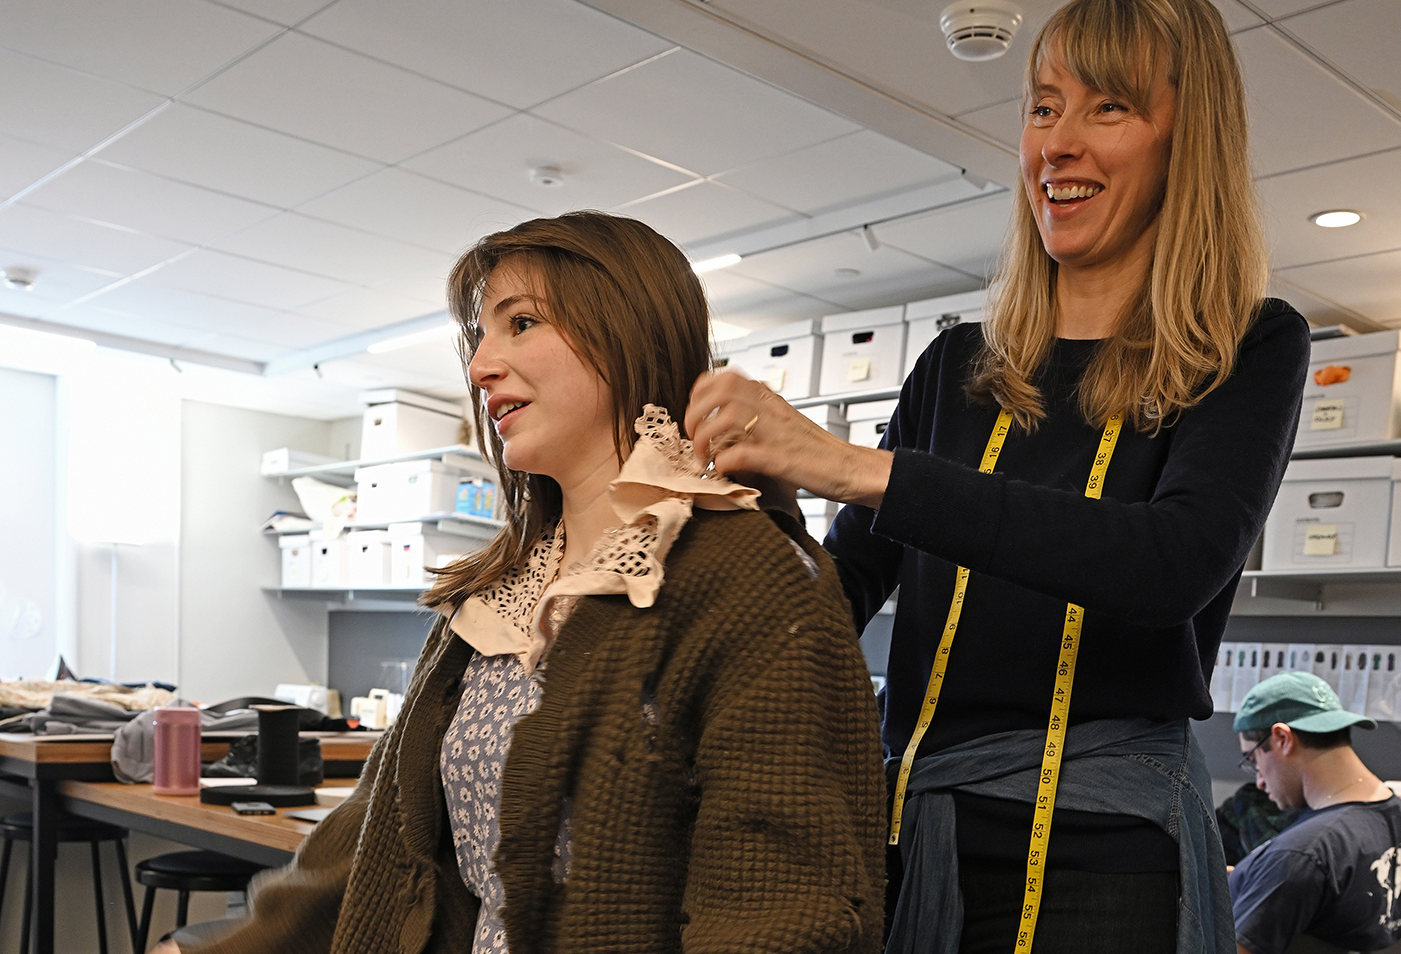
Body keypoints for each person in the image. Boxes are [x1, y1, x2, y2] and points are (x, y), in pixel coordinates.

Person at [685, 0, 1310, 950]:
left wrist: (852, 467)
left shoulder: (1247, 346)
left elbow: (1171, 562)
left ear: (1190, 137)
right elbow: (835, 598)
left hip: (1103, 858)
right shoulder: (958, 365)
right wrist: (758, 502)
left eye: (1107, 109)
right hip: (911, 839)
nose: (1056, 144)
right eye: (1043, 107)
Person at [163, 212, 886, 954]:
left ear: (626, 329)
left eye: (522, 323)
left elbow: (782, 916)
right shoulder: (502, 593)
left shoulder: (746, 578)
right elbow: (379, 836)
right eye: (480, 337)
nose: (480, 367)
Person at [1230, 672, 1401, 954]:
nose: (1258, 780)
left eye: (1253, 758)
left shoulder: (1302, 855)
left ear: (1282, 738)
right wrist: (1249, 877)